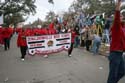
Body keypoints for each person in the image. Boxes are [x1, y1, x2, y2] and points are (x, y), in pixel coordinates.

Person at [107, 0, 125, 83]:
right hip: (115, 53)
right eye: (121, 16)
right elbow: (117, 14)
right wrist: (119, 3)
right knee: (113, 75)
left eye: (122, 16)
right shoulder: (116, 26)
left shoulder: (122, 28)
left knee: (122, 71)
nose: (122, 17)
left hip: (120, 53)